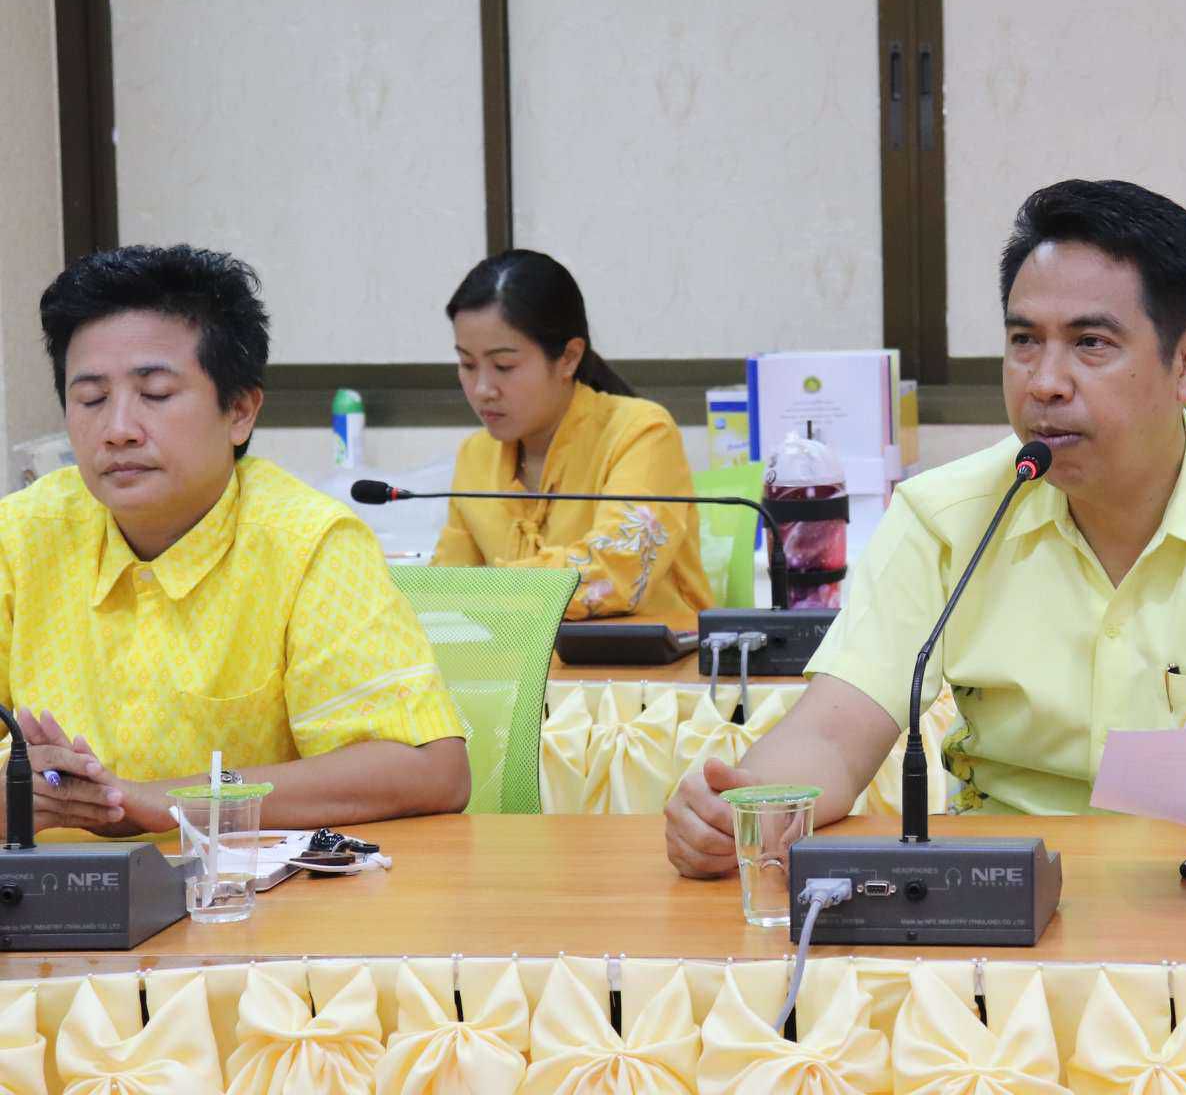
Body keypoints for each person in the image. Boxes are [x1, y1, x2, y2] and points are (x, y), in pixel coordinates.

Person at [668, 179, 1186, 880]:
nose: (1044, 383)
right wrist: (743, 810)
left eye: (1090, 344)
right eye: (1024, 342)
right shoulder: (947, 518)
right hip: (1001, 895)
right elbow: (835, 737)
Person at [0, 245, 469, 836]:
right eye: (91, 399)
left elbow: (430, 770)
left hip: (246, 888)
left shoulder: (307, 542)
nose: (117, 430)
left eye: (156, 394)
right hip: (52, 889)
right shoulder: (21, 536)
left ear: (240, 411)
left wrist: (164, 803)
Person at [433, 250, 714, 625]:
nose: (483, 388)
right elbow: (443, 590)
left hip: (647, 661)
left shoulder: (642, 432)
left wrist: (485, 591)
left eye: (504, 366)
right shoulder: (475, 455)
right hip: (522, 661)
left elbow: (613, 574)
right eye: (467, 364)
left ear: (568, 357)